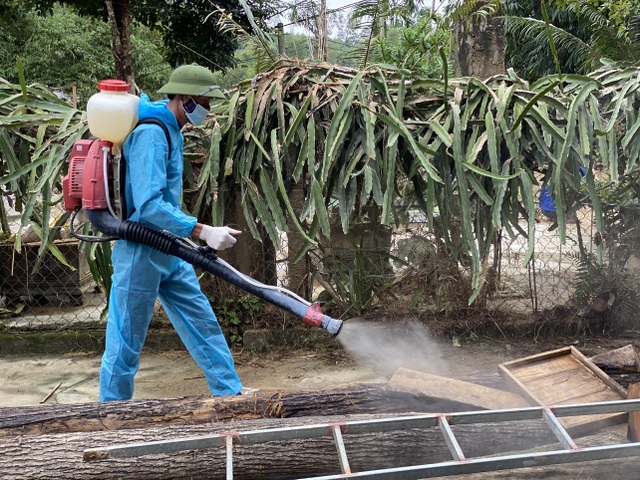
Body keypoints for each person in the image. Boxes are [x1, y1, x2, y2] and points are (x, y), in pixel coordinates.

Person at [99, 64, 244, 401]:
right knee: (126, 340)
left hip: (168, 247)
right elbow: (149, 204)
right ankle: (110, 414)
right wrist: (202, 230)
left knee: (201, 320)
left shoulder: (172, 129)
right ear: (183, 97)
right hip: (140, 249)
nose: (206, 110)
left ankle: (230, 395)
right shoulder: (152, 131)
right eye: (203, 102)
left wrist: (186, 234)